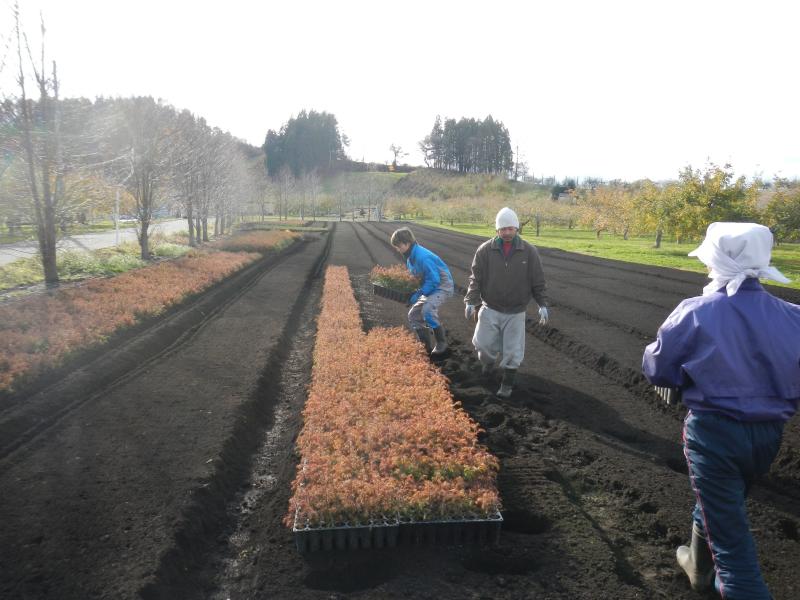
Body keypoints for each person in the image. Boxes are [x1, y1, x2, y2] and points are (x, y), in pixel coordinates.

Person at [642, 222, 800, 599]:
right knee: (721, 503)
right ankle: (697, 567)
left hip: (713, 435)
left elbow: (658, 368)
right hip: (767, 436)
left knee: (734, 555)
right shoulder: (793, 316)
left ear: (717, 261)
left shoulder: (697, 311)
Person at [464, 207, 549, 398]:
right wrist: (470, 300)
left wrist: (542, 304)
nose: (507, 233)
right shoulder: (485, 250)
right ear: (497, 230)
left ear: (517, 228)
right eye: (503, 229)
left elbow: (538, 280)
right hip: (490, 307)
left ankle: (507, 384)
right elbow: (475, 278)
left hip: (516, 310)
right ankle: (488, 363)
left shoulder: (529, 251)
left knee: (513, 351)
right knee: (483, 346)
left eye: (511, 228)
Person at [390, 227, 454, 355]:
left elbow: (434, 280)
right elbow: (416, 279)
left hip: (442, 286)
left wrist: (419, 293)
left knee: (428, 310)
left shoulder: (423, 257)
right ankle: (425, 347)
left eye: (399, 246)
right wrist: (409, 293)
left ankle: (441, 342)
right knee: (413, 315)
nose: (397, 249)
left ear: (407, 243)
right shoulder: (410, 259)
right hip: (430, 287)